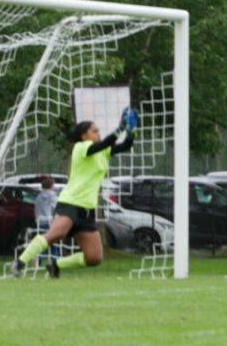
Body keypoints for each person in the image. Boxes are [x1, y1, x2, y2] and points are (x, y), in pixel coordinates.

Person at [12, 108, 138, 278]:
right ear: (84, 135)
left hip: (87, 209)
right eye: (94, 131)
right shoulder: (80, 147)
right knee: (57, 234)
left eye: (99, 131)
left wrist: (131, 131)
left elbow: (125, 146)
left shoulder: (102, 150)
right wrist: (120, 128)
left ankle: (55, 265)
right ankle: (20, 262)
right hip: (71, 203)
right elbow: (104, 143)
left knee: (94, 258)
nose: (98, 134)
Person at [33, 176, 59, 263]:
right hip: (50, 221)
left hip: (40, 222)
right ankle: (54, 260)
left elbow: (36, 209)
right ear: (51, 185)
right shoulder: (53, 196)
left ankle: (39, 256)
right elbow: (56, 208)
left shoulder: (38, 197)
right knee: (54, 241)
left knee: (44, 240)